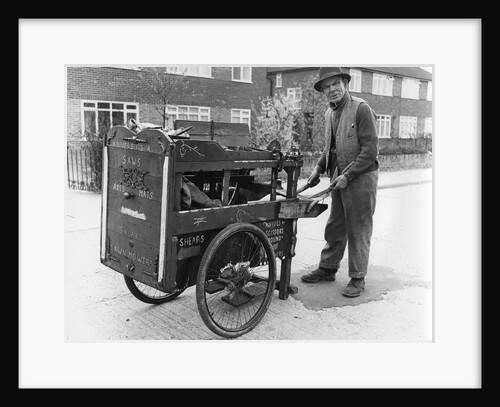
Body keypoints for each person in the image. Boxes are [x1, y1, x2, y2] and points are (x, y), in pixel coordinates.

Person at [300, 67, 379, 297]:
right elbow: (330, 149)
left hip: (361, 179)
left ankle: (357, 277)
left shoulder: (361, 109)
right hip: (339, 179)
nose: (331, 90)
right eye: (326, 87)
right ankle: (327, 268)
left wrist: (349, 175)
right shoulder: (328, 114)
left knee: (359, 229)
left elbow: (370, 151)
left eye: (335, 84)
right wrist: (318, 168)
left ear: (345, 83)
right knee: (335, 225)